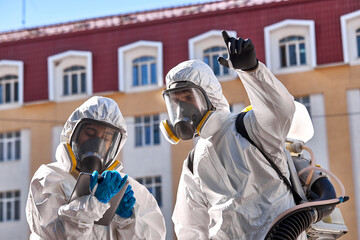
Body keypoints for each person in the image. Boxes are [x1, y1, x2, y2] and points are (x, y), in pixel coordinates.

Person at [159, 31, 307, 239]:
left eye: (188, 98)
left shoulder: (248, 128)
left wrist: (252, 70)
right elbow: (189, 227)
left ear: (209, 97)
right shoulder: (193, 163)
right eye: (176, 102)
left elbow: (280, 111)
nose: (183, 109)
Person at [26, 96, 166, 239]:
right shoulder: (50, 178)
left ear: (113, 145)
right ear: (73, 134)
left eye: (105, 138)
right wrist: (93, 204)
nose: (97, 143)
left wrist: (127, 220)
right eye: (90, 133)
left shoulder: (130, 190)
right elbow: (57, 234)